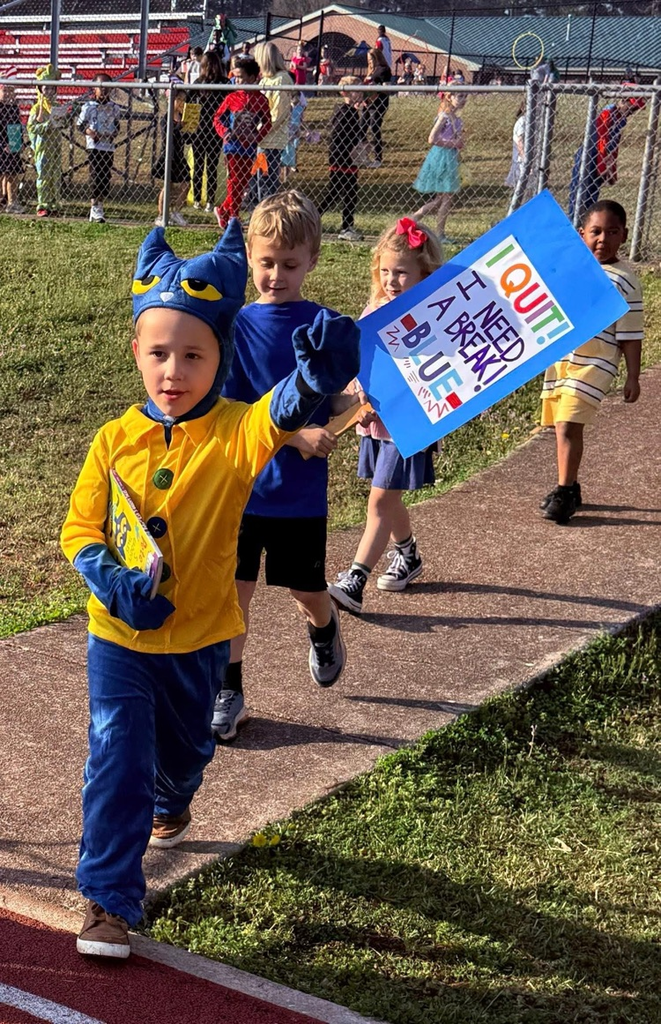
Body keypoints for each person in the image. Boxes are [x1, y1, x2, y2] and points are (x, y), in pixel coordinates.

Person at [60, 219, 360, 959]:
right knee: (115, 757)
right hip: (119, 637)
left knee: (186, 754)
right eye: (158, 353)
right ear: (136, 351)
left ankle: (175, 796)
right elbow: (78, 531)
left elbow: (277, 415)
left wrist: (315, 381)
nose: (173, 370)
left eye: (192, 354)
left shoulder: (234, 431)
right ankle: (107, 900)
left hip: (198, 639)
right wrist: (108, 581)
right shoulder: (112, 439)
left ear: (219, 358)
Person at [211, 191, 366, 742]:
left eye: (290, 264)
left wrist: (358, 408)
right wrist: (296, 434)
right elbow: (229, 412)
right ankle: (229, 690)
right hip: (242, 488)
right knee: (233, 595)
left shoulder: (327, 325)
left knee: (304, 588)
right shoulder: (234, 327)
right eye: (266, 263)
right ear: (249, 257)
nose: (277, 275)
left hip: (299, 495)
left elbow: (340, 398)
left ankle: (324, 627)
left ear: (313, 261)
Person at [328, 217, 442, 614]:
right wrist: (354, 399)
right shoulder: (375, 308)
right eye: (385, 271)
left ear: (424, 273)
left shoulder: (433, 315)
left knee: (379, 499)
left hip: (407, 423)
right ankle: (408, 555)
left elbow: (434, 369)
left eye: (402, 273)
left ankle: (355, 580)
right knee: (385, 495)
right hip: (374, 419)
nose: (392, 280)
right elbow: (364, 360)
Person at [540, 200, 643, 525]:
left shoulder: (625, 281)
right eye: (596, 232)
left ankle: (564, 491)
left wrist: (633, 377)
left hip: (594, 365)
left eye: (612, 232)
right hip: (561, 362)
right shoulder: (571, 270)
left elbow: (631, 334)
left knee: (569, 424)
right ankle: (569, 485)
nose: (603, 239)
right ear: (581, 234)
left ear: (624, 235)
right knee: (561, 427)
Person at [568, 88, 645, 223]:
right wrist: (603, 166)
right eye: (631, 108)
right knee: (579, 194)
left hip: (600, 160)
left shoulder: (621, 120)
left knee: (592, 197)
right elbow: (602, 141)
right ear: (623, 101)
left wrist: (611, 170)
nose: (632, 112)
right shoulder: (608, 113)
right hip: (591, 155)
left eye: (634, 110)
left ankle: (584, 225)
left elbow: (613, 148)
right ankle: (574, 223)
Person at [212, 55, 271, 230]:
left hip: (249, 147)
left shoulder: (261, 100)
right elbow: (217, 118)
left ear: (252, 78)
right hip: (232, 146)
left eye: (240, 77)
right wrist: (225, 132)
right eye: (235, 76)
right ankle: (233, 215)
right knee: (234, 180)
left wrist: (257, 137)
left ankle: (223, 210)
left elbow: (267, 122)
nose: (236, 80)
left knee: (243, 181)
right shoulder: (231, 98)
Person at [411, 92, 465, 244]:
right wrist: (453, 144)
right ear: (449, 97)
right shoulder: (444, 117)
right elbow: (432, 138)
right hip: (441, 158)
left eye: (465, 96)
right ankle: (439, 234)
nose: (463, 99)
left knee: (441, 198)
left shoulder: (457, 120)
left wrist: (459, 143)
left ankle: (412, 219)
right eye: (460, 96)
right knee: (446, 197)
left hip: (451, 158)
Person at [317, 75, 364, 242]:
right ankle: (343, 226)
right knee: (337, 192)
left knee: (347, 192)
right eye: (356, 90)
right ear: (346, 92)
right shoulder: (344, 112)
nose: (360, 93)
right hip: (342, 157)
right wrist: (350, 149)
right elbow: (338, 135)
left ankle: (346, 225)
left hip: (348, 158)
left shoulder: (352, 112)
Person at [77, 73, 122, 224]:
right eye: (100, 87)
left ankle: (100, 204)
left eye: (107, 88)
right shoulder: (89, 107)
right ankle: (94, 206)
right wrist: (90, 132)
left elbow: (117, 125)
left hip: (108, 146)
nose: (103, 91)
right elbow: (80, 125)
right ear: (94, 88)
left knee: (105, 176)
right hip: (94, 146)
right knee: (95, 175)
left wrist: (114, 132)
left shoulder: (114, 108)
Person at [251, 41, 292, 201]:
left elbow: (278, 113)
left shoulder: (281, 79)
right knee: (256, 180)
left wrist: (260, 132)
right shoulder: (264, 80)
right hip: (259, 141)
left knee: (266, 182)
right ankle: (256, 215)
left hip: (270, 141)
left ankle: (267, 216)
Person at [189, 50, 227, 213]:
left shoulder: (200, 83)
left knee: (200, 165)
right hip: (213, 130)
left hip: (203, 129)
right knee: (210, 165)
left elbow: (190, 107)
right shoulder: (223, 83)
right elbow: (190, 105)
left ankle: (199, 199)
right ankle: (208, 200)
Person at [27, 63, 66, 218]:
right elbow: (31, 128)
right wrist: (46, 124)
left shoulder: (56, 106)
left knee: (55, 175)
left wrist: (65, 118)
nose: (49, 91)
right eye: (46, 88)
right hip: (42, 146)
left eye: (51, 88)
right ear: (40, 89)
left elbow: (61, 124)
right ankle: (42, 204)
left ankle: (54, 203)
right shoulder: (37, 108)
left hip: (56, 145)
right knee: (43, 176)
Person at [153, 84, 190, 226]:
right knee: (167, 186)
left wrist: (189, 129)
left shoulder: (182, 117)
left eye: (183, 99)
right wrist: (180, 126)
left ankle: (176, 212)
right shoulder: (167, 117)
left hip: (180, 156)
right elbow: (168, 134)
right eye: (178, 99)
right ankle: (161, 215)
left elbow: (185, 139)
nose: (181, 102)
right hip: (169, 155)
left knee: (186, 184)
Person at [362, 47, 391, 168]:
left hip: (379, 102)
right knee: (362, 127)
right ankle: (362, 154)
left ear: (377, 57)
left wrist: (376, 88)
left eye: (371, 59)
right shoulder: (370, 70)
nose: (370, 62)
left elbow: (387, 89)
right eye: (368, 60)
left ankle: (378, 158)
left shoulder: (384, 70)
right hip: (367, 103)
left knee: (374, 127)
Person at [0, 81, 24, 214]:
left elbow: (17, 127)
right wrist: (3, 145)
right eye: (5, 91)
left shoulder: (14, 108)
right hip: (1, 146)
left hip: (12, 145)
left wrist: (19, 143)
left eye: (11, 91)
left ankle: (12, 202)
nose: (8, 94)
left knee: (12, 174)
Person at [280, 90, 307, 183]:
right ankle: (283, 176)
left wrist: (303, 129)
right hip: (287, 133)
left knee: (293, 150)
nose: (297, 99)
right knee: (284, 156)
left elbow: (301, 119)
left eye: (298, 98)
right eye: (295, 97)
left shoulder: (300, 108)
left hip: (295, 132)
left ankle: (291, 169)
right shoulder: (287, 108)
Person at [505, 100, 525, 190]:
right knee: (521, 184)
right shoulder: (522, 121)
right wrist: (525, 158)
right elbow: (519, 142)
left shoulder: (534, 121)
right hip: (520, 159)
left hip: (529, 156)